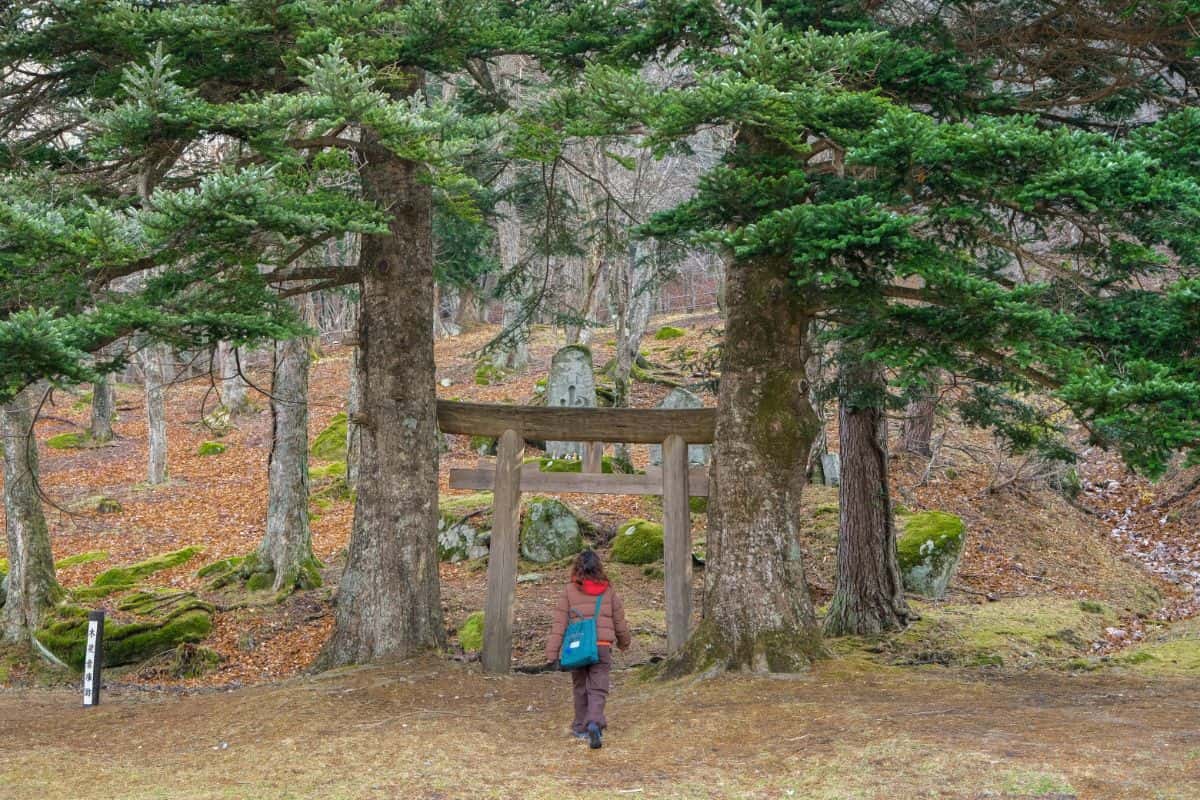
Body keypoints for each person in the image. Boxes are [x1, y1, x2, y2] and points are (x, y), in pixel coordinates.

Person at [545, 549, 631, 749]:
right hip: (601, 646)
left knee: (580, 687)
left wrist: (552, 653)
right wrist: (624, 642)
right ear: (599, 568)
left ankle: (580, 727)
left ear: (577, 569)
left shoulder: (569, 591)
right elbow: (619, 621)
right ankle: (594, 722)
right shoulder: (608, 591)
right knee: (598, 688)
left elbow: (559, 624)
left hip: (578, 647)